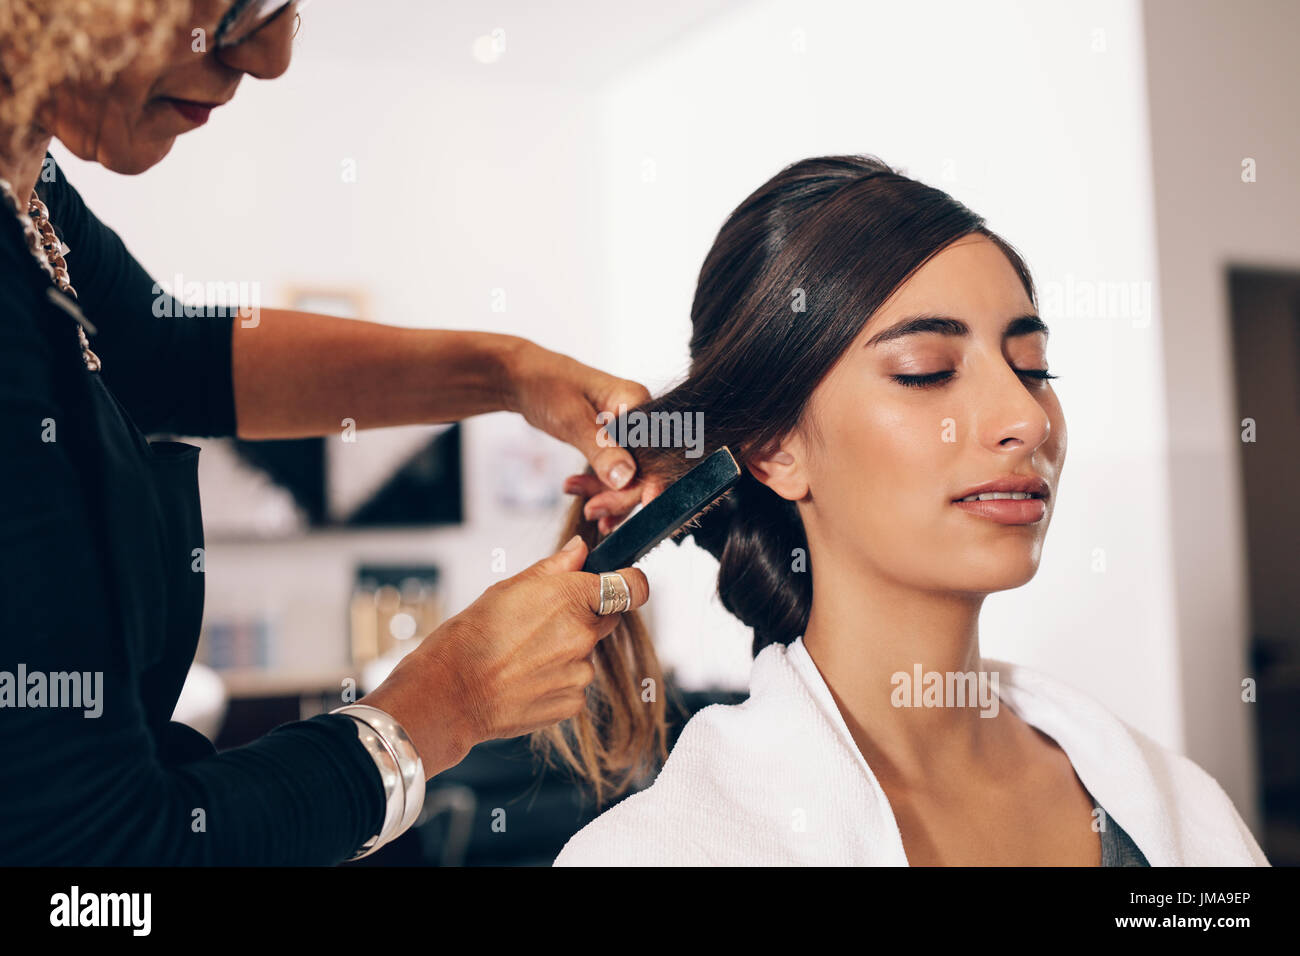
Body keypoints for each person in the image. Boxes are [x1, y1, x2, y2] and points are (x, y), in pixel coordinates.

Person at [0, 0, 654, 864]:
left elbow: (168, 354)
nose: (270, 56)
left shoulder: (25, 191)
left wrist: (509, 373)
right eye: (237, 4)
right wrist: (444, 704)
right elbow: (102, 860)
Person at [541, 155, 1270, 866]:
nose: (1027, 416)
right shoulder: (658, 854)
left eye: (1033, 367)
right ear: (775, 450)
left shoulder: (1173, 806)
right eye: (928, 372)